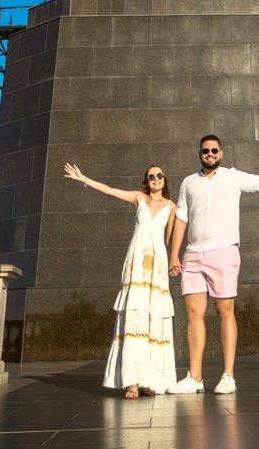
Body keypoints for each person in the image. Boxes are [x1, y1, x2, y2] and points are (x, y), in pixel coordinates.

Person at [166, 134, 259, 394]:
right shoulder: (188, 183)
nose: (210, 154)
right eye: (206, 151)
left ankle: (228, 376)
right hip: (193, 255)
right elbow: (180, 219)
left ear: (221, 153)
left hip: (223, 253)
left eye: (214, 150)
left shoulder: (233, 177)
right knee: (194, 315)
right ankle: (194, 377)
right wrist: (174, 255)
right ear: (200, 153)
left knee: (225, 312)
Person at [64, 161, 177, 397]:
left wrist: (173, 262)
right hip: (136, 263)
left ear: (164, 179)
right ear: (145, 182)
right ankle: (132, 382)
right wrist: (84, 179)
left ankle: (149, 380)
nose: (155, 179)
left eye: (159, 175)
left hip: (156, 265)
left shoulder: (172, 207)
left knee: (153, 318)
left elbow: (169, 240)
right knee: (134, 318)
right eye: (151, 176)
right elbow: (110, 190)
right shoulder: (139, 198)